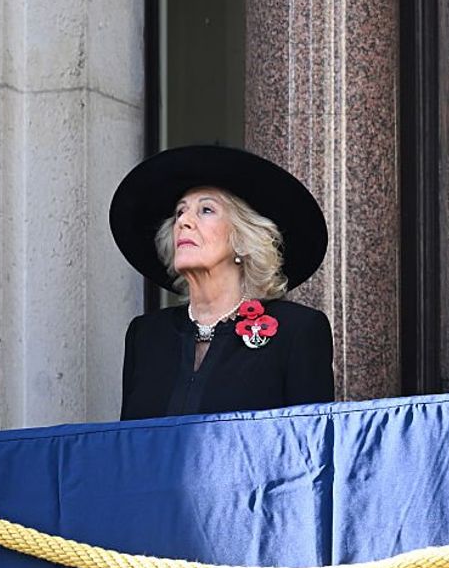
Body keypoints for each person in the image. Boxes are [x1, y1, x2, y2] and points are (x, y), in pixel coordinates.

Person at [110, 145, 334, 419]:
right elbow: (126, 448)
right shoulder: (145, 336)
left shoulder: (297, 332)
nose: (184, 222)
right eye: (180, 212)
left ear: (242, 239)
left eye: (205, 210)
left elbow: (310, 449)